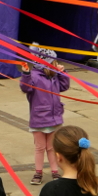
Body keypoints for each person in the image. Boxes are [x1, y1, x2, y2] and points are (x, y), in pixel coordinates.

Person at [19, 46, 69, 186]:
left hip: (54, 118)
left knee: (52, 147)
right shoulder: (34, 77)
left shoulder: (54, 76)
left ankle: (55, 171)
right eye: (53, 62)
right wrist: (26, 74)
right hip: (39, 118)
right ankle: (38, 172)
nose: (55, 64)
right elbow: (26, 87)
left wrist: (62, 73)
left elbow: (64, 87)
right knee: (40, 147)